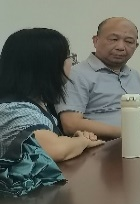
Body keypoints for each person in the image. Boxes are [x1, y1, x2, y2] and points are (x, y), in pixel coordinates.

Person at [0, 28, 103, 163]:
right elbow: (55, 150)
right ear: (50, 65)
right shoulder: (13, 109)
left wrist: (72, 141)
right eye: (70, 57)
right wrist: (82, 141)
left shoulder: (40, 101)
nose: (73, 63)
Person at [57, 17, 140, 139]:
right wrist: (129, 132)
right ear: (95, 41)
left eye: (129, 41)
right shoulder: (77, 74)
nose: (121, 47)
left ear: (136, 46)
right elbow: (71, 124)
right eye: (114, 39)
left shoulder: (133, 74)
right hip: (105, 146)